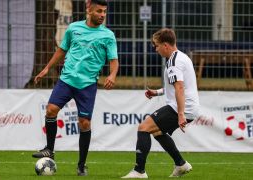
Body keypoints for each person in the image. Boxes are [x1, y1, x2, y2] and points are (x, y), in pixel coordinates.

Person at [32, 0, 118, 176]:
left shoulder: (108, 35)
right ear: (90, 11)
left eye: (104, 12)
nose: (102, 15)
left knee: (84, 123)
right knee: (50, 110)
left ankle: (81, 165)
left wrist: (112, 75)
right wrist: (47, 68)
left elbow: (113, 61)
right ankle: (49, 149)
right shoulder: (73, 28)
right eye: (99, 11)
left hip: (87, 85)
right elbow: (62, 50)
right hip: (66, 79)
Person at [121, 29, 199, 178]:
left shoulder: (174, 62)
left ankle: (139, 171)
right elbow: (175, 86)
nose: (156, 49)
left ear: (165, 45)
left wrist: (181, 114)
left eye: (156, 46)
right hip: (188, 107)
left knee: (143, 127)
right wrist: (157, 92)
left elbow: (180, 88)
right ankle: (181, 164)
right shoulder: (181, 57)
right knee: (156, 131)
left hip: (181, 107)